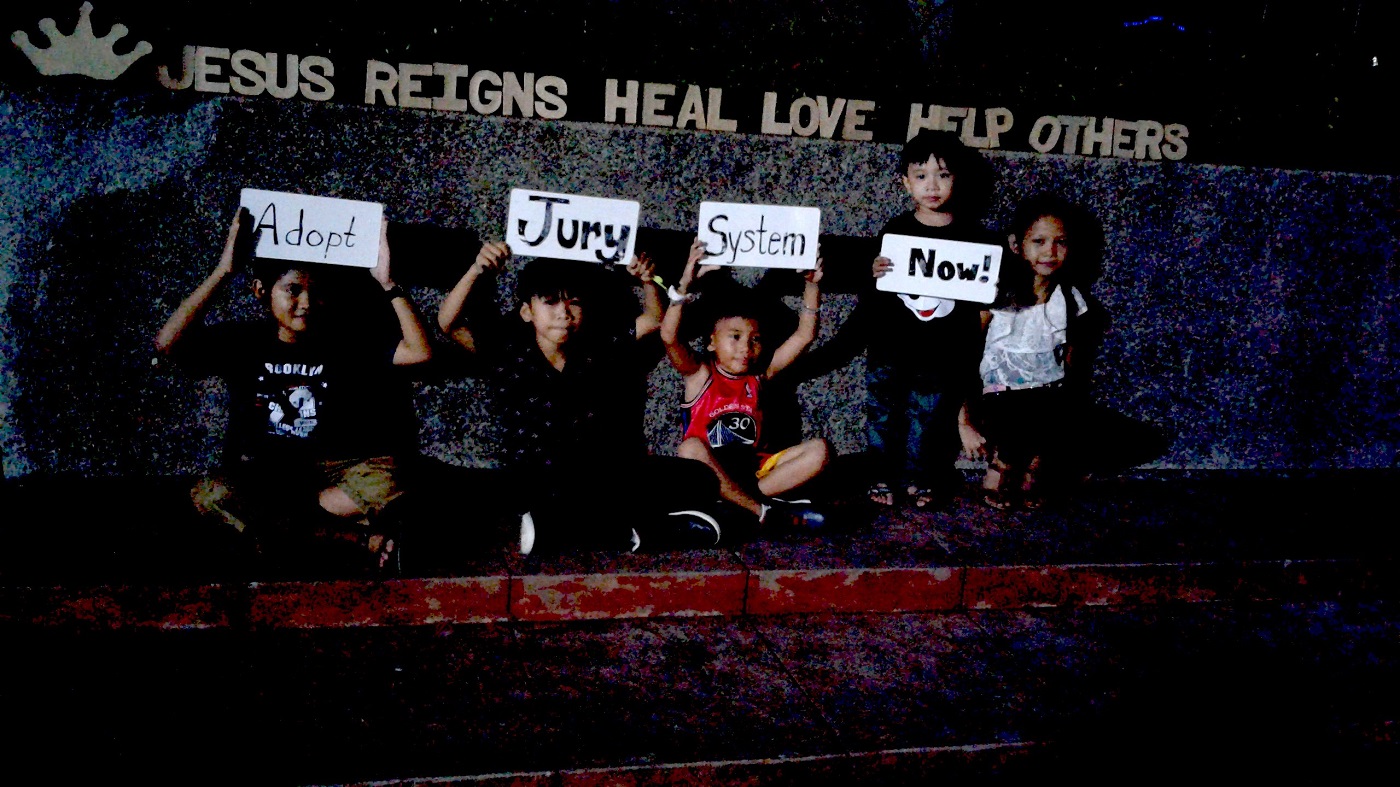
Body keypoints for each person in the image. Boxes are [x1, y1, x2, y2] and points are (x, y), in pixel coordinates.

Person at [154, 208, 433, 572]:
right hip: (269, 474)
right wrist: (224, 271)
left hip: (335, 476)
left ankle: (281, 535)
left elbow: (420, 353)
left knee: (393, 480)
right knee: (211, 495)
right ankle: (356, 541)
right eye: (293, 290)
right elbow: (168, 344)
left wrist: (388, 283)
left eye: (316, 293)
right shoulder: (243, 341)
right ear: (261, 291)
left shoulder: (344, 339)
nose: (306, 303)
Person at [436, 242, 722, 555]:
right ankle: (627, 531)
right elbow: (448, 323)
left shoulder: (597, 346)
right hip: (534, 481)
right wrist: (477, 269)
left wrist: (647, 281)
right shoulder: (508, 350)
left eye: (574, 303)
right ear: (527, 311)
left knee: (699, 479)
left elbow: (653, 319)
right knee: (472, 491)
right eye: (550, 302)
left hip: (601, 476)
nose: (563, 313)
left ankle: (579, 529)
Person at [799, 129, 995, 509]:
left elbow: (978, 301)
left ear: (958, 179)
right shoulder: (896, 229)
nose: (932, 186)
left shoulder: (972, 238)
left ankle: (919, 478)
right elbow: (877, 290)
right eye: (921, 176)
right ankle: (879, 476)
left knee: (927, 419)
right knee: (882, 416)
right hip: (889, 346)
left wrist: (990, 288)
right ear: (905, 183)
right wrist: (873, 271)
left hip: (939, 351)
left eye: (943, 175)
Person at [660, 238, 831, 529]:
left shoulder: (760, 376)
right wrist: (684, 286)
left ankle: (737, 504)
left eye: (755, 339)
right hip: (710, 473)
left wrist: (812, 285)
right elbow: (668, 337)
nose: (745, 348)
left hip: (755, 474)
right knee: (689, 449)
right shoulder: (699, 374)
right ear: (712, 342)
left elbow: (804, 336)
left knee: (820, 451)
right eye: (735, 337)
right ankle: (763, 512)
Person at [976, 192, 1092, 511]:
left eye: (1060, 242)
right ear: (1017, 244)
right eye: (1039, 241)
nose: (1050, 252)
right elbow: (968, 346)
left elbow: (1071, 353)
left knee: (1053, 416)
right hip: (1000, 391)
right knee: (1015, 418)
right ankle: (999, 470)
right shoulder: (997, 295)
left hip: (1047, 388)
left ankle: (1032, 473)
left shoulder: (1069, 297)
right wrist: (965, 414)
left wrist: (1070, 394)